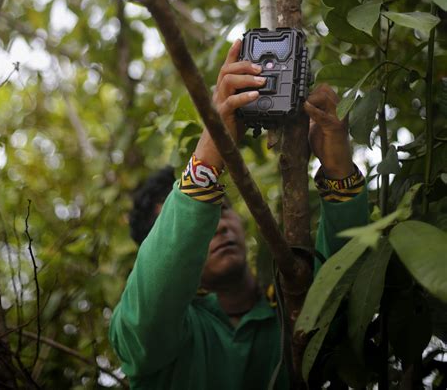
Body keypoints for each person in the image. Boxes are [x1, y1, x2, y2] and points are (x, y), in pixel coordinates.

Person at [109, 40, 369, 389]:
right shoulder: (145, 337)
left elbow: (345, 304)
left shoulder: (292, 310)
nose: (215, 226)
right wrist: (208, 156)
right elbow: (151, 311)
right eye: (196, 223)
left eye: (221, 208)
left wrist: (339, 172)